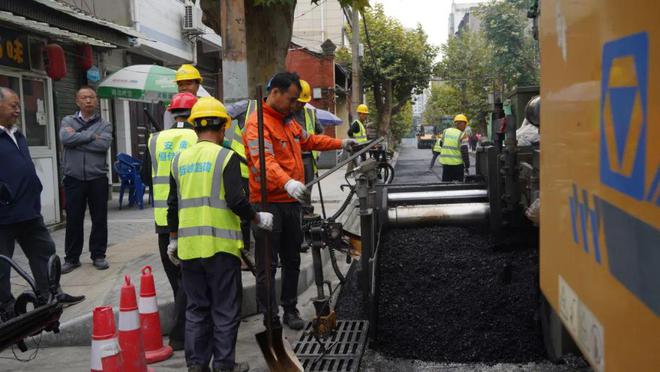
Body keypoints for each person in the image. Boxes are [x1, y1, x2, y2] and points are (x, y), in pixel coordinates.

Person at [243, 72, 357, 330]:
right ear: (275, 93)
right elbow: (264, 162)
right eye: (293, 100)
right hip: (267, 204)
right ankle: (270, 316)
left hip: (291, 204)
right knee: (268, 265)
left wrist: (341, 142)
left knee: (292, 259)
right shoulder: (257, 124)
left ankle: (290, 310)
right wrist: (287, 182)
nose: (296, 106)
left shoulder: (288, 122)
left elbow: (310, 140)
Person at [166, 97, 272, 372]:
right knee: (224, 310)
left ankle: (196, 365)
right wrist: (257, 217)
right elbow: (237, 200)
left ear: (195, 128)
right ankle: (224, 365)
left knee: (197, 309)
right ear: (223, 127)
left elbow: (173, 206)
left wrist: (173, 240)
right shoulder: (226, 157)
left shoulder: (179, 159)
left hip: (189, 249)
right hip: (220, 249)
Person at [0, 87, 85, 318]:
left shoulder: (17, 135)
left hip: (29, 211)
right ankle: (6, 310)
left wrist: (35, 187)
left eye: (18, 105)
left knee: (45, 252)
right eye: (13, 105)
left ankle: (50, 295)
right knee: (2, 266)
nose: (18, 110)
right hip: (4, 215)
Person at [146, 92, 198, 351]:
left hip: (163, 222)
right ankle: (181, 335)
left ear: (171, 113)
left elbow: (147, 177)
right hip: (190, 216)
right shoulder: (198, 137)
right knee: (189, 280)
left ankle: (184, 333)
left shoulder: (155, 139)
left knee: (176, 279)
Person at [60, 86, 113, 273]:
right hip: (73, 178)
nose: (88, 100)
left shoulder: (105, 124)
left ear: (96, 101)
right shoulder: (67, 120)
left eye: (91, 97)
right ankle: (72, 258)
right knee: (74, 218)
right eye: (84, 97)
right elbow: (65, 139)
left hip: (97, 177)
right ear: (77, 101)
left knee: (99, 218)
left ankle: (98, 255)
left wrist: (78, 140)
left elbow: (103, 145)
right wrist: (91, 136)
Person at [288, 79, 325, 194]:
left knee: (307, 189)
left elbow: (320, 131)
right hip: (291, 158)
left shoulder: (310, 113)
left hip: (308, 158)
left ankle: (307, 210)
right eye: (299, 102)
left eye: (303, 102)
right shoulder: (286, 112)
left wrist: (318, 149)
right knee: (294, 190)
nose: (301, 105)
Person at [163, 64, 203, 130]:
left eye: (188, 84)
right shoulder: (171, 109)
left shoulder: (204, 107)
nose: (184, 88)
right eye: (180, 85)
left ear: (197, 86)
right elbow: (168, 132)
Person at [438, 114, 468, 182]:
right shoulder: (463, 134)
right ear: (462, 124)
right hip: (458, 165)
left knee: (446, 185)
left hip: (446, 164)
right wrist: (467, 165)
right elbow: (464, 151)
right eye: (465, 124)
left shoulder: (446, 131)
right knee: (459, 186)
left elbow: (441, 143)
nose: (465, 127)